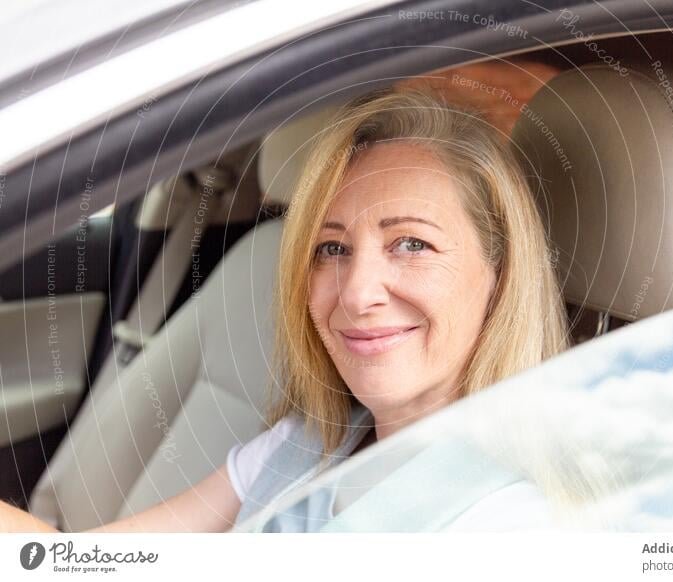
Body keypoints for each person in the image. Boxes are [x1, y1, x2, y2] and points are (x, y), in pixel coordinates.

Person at [0, 84, 568, 533]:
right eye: (332, 249)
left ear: (500, 272)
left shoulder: (507, 526)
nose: (354, 293)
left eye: (412, 244)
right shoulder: (308, 441)